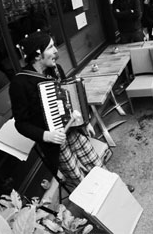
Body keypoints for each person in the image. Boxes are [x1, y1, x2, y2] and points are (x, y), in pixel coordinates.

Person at [10, 32, 111, 188]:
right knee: (80, 180)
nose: (56, 51)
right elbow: (21, 123)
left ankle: (115, 192)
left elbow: (71, 100)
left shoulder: (56, 69)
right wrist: (46, 135)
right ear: (38, 55)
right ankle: (96, 210)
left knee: (96, 165)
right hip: (54, 144)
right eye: (50, 47)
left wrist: (84, 121)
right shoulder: (19, 83)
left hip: (73, 131)